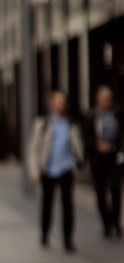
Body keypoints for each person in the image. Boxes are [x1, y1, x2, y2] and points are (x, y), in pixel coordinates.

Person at [28, 90, 84, 252]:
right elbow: (34, 148)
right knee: (47, 203)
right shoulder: (43, 123)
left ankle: (68, 239)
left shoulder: (71, 123)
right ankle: (45, 233)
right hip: (48, 169)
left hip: (66, 168)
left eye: (62, 101)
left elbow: (77, 144)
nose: (59, 104)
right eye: (56, 101)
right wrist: (35, 170)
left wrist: (78, 161)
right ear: (51, 103)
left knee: (68, 205)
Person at [83, 85, 124, 238]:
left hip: (114, 156)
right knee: (100, 192)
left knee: (115, 188)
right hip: (98, 159)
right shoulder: (91, 115)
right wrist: (96, 146)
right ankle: (106, 223)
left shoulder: (117, 112)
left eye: (108, 97)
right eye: (103, 96)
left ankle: (116, 221)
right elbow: (85, 137)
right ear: (97, 98)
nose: (106, 100)